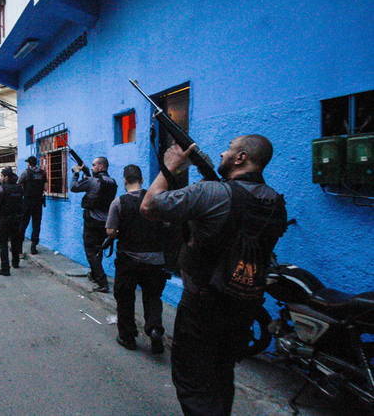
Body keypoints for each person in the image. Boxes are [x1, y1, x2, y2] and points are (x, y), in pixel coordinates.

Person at [141, 134, 287, 416]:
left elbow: (149, 206)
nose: (222, 153)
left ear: (241, 157)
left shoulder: (211, 193)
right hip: (243, 305)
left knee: (195, 383)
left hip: (203, 306)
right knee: (221, 375)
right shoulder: (274, 201)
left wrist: (170, 167)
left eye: (229, 149)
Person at [105, 165, 170, 353]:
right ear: (141, 180)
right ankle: (155, 329)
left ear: (125, 180)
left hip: (129, 259)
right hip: (156, 260)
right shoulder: (155, 200)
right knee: (153, 297)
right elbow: (166, 224)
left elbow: (110, 230)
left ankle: (127, 337)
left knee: (125, 297)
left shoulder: (119, 202)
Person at [70, 157, 117, 293]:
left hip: (92, 221)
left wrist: (76, 173)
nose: (92, 167)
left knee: (90, 252)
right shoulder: (112, 182)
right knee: (98, 250)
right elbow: (98, 190)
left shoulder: (92, 181)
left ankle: (102, 282)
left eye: (94, 165)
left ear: (101, 167)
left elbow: (74, 187)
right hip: (106, 221)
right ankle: (96, 275)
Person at [0, 167, 23, 276]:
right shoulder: (19, 187)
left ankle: (5, 268)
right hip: (17, 218)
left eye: (1, 176)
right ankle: (15, 262)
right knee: (15, 241)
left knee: (3, 243)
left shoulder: (1, 188)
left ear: (6, 177)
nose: (0, 178)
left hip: (4, 218)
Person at [17, 156, 47, 255]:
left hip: (27, 202)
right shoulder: (43, 173)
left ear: (29, 164)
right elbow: (45, 188)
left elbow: (18, 184)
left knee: (23, 224)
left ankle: (19, 247)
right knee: (36, 225)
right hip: (38, 202)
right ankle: (33, 247)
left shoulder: (26, 173)